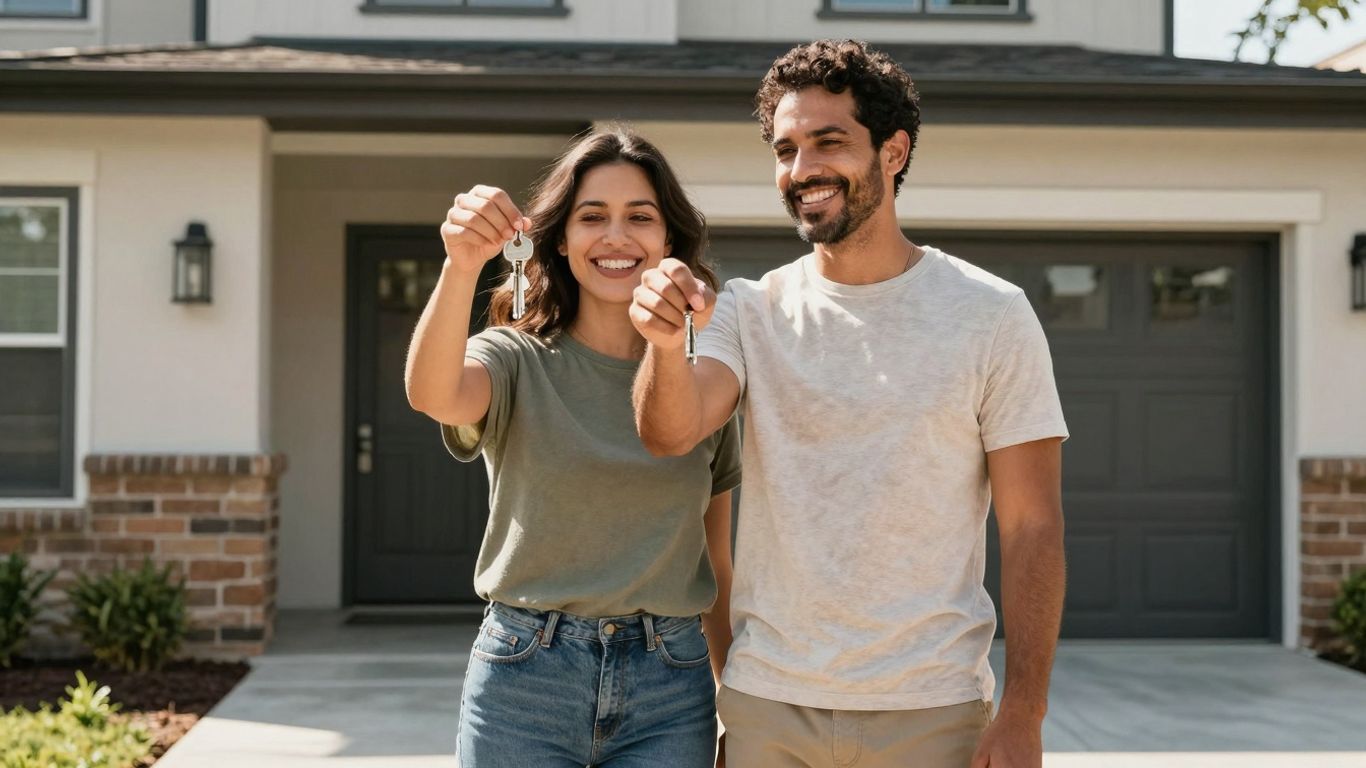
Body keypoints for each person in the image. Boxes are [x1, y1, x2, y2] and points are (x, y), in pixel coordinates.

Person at [629, 40, 1068, 768]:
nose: (802, 171)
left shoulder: (992, 314)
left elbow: (1033, 526)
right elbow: (671, 433)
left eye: (828, 143)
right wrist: (663, 343)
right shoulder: (749, 308)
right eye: (786, 149)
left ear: (893, 152)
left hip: (932, 710)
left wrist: (1025, 710)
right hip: (772, 708)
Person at [405, 127, 740, 768]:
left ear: (669, 240)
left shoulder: (705, 382)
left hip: (671, 682)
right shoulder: (514, 359)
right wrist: (461, 263)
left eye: (639, 217)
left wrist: (733, 698)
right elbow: (434, 393)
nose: (616, 237)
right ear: (561, 238)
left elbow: (716, 560)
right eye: (593, 217)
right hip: (524, 676)